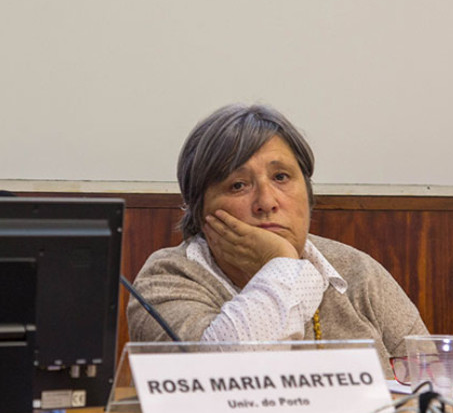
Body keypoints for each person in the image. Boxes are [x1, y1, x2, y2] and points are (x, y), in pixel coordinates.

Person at [127, 104, 428, 371]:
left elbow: (435, 384)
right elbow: (226, 380)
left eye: (281, 177)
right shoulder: (167, 279)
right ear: (200, 208)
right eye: (238, 185)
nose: (266, 201)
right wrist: (281, 263)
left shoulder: (356, 270)